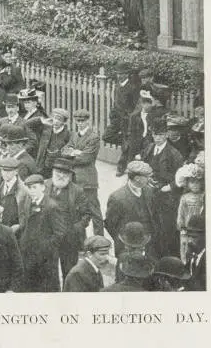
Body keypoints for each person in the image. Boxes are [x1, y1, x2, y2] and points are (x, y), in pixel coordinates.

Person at [44, 157, 94, 280]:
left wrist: (75, 229)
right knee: (48, 272)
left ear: (70, 175)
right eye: (58, 171)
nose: (61, 175)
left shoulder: (77, 191)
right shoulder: (44, 185)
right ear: (53, 171)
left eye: (65, 173)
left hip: (69, 240)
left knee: (70, 272)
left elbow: (87, 214)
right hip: (48, 238)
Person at [142, 118, 184, 258]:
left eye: (160, 134)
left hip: (167, 197)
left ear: (166, 134)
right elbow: (143, 165)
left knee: (166, 230)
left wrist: (169, 187)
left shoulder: (174, 154)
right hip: (150, 193)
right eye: (155, 134)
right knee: (150, 226)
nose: (157, 138)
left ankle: (167, 259)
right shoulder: (149, 148)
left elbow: (180, 178)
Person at [20, 174, 67, 292]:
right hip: (29, 255)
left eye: (34, 187)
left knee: (46, 288)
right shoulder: (27, 202)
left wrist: (45, 248)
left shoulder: (51, 206)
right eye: (29, 188)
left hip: (46, 258)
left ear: (42, 187)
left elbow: (59, 233)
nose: (32, 191)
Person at [104, 161, 157, 259]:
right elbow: (110, 224)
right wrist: (122, 240)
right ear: (137, 178)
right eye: (147, 176)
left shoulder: (149, 191)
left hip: (147, 243)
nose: (149, 179)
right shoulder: (117, 197)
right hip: (126, 247)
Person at [64, 108, 103, 236]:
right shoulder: (74, 135)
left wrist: (72, 153)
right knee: (78, 211)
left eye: (83, 120)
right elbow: (64, 151)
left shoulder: (94, 137)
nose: (80, 123)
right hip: (75, 179)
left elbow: (86, 158)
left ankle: (99, 241)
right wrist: (76, 152)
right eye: (78, 121)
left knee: (94, 211)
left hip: (88, 180)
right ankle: (81, 241)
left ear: (88, 121)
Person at [0, 156, 30, 236]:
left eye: (8, 171)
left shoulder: (24, 190)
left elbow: (27, 213)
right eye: (3, 170)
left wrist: (19, 226)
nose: (5, 174)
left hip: (16, 231)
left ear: (16, 171)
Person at [176, 163, 205, 262]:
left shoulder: (203, 196)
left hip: (200, 230)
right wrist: (182, 228)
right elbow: (181, 214)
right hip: (187, 229)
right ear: (187, 183)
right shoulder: (185, 197)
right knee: (186, 249)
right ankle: (185, 265)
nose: (196, 185)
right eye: (192, 182)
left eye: (198, 182)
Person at [183, 214, 206, 291]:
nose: (189, 241)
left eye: (194, 237)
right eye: (188, 236)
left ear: (204, 237)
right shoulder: (191, 256)